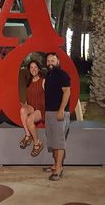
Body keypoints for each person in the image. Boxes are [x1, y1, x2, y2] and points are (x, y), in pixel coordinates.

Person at [43, 52, 71, 181]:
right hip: (49, 112)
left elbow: (67, 92)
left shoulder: (62, 74)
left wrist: (61, 110)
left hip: (59, 113)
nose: (50, 63)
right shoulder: (48, 75)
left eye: (52, 60)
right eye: (48, 60)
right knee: (53, 141)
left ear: (58, 61)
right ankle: (55, 165)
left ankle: (59, 169)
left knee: (59, 142)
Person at [19, 60, 45, 157]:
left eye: (35, 67)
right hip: (32, 106)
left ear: (38, 69)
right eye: (31, 67)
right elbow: (30, 96)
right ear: (29, 70)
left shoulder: (43, 81)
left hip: (41, 108)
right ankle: (28, 135)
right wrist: (25, 104)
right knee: (22, 110)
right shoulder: (29, 81)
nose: (33, 69)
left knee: (30, 120)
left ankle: (37, 143)